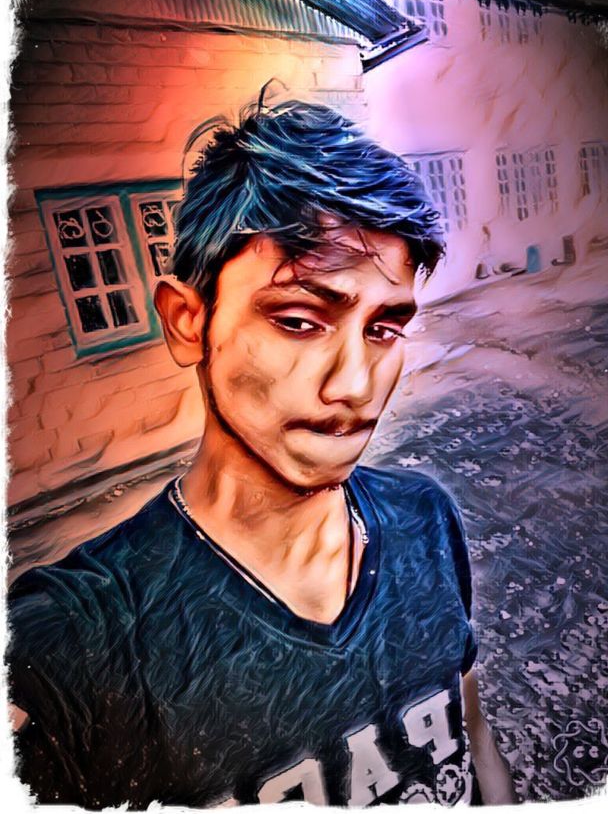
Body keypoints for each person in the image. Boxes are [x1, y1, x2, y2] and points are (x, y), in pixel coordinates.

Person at [7, 95, 516, 808]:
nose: (355, 385)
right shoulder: (86, 636)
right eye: (301, 320)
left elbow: (475, 738)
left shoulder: (424, 518)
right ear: (189, 323)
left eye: (383, 329)